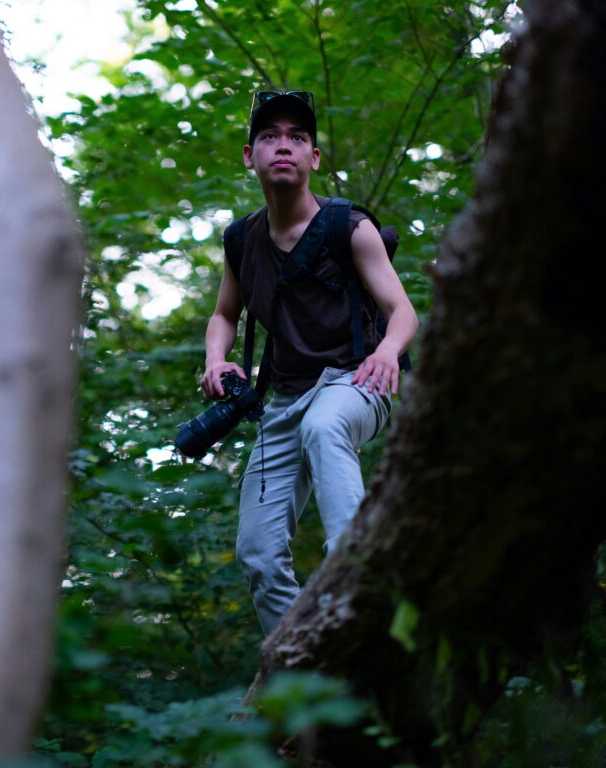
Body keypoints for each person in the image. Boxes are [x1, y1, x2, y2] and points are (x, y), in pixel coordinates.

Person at [201, 90, 419, 635]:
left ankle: (355, 578)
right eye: (270, 136)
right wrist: (215, 357)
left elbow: (401, 311)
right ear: (249, 156)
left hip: (356, 380)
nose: (284, 146)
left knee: (325, 426)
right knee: (258, 554)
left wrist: (389, 350)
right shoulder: (241, 240)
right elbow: (225, 314)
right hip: (284, 400)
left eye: (298, 137)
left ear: (314, 158)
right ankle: (306, 664)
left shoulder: (349, 227)